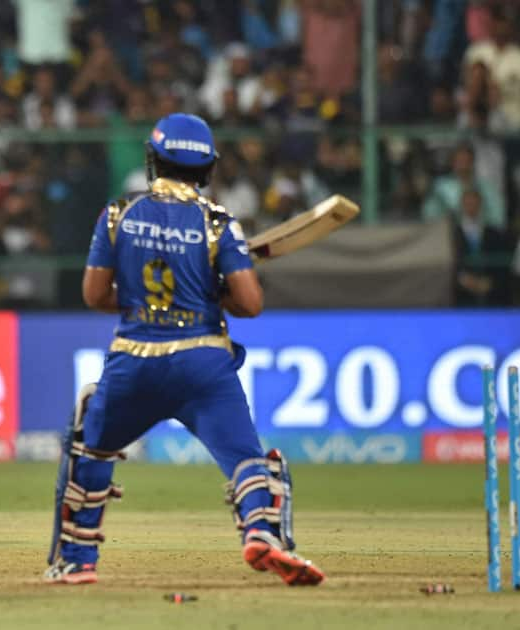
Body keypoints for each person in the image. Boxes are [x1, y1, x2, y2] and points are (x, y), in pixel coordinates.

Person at [44, 113, 324, 586]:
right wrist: (213, 292)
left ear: (154, 162)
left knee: (90, 446)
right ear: (208, 169)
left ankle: (76, 560)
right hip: (202, 363)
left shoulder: (118, 213)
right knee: (247, 460)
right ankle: (261, 533)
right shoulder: (220, 224)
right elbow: (250, 305)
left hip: (135, 360)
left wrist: (137, 300)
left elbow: (94, 296)